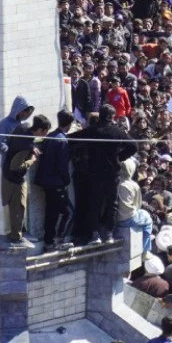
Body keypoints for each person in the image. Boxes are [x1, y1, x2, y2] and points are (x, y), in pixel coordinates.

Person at [71, 104, 137, 245]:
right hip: (112, 174)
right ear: (111, 116)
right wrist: (120, 157)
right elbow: (134, 146)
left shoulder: (92, 130)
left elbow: (72, 138)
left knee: (94, 203)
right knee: (111, 204)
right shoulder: (117, 132)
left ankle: (94, 234)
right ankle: (108, 233)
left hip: (94, 173)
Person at [1, 116, 48, 248]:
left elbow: (13, 140)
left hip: (6, 175)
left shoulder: (23, 127)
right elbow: (15, 166)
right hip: (15, 180)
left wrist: (32, 147)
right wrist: (32, 160)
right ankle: (16, 237)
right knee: (19, 207)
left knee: (13, 207)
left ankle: (15, 234)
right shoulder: (25, 146)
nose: (45, 135)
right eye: (45, 132)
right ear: (39, 130)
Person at [35, 109, 75, 252]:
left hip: (45, 182)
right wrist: (66, 181)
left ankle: (49, 242)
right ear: (69, 124)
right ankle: (59, 240)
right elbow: (62, 165)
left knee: (51, 213)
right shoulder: (62, 140)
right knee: (69, 212)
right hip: (56, 183)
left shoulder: (50, 136)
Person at [115, 155, 153, 253]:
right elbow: (138, 204)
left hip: (114, 218)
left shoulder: (115, 182)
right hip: (128, 219)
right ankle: (144, 251)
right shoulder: (134, 185)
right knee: (147, 219)